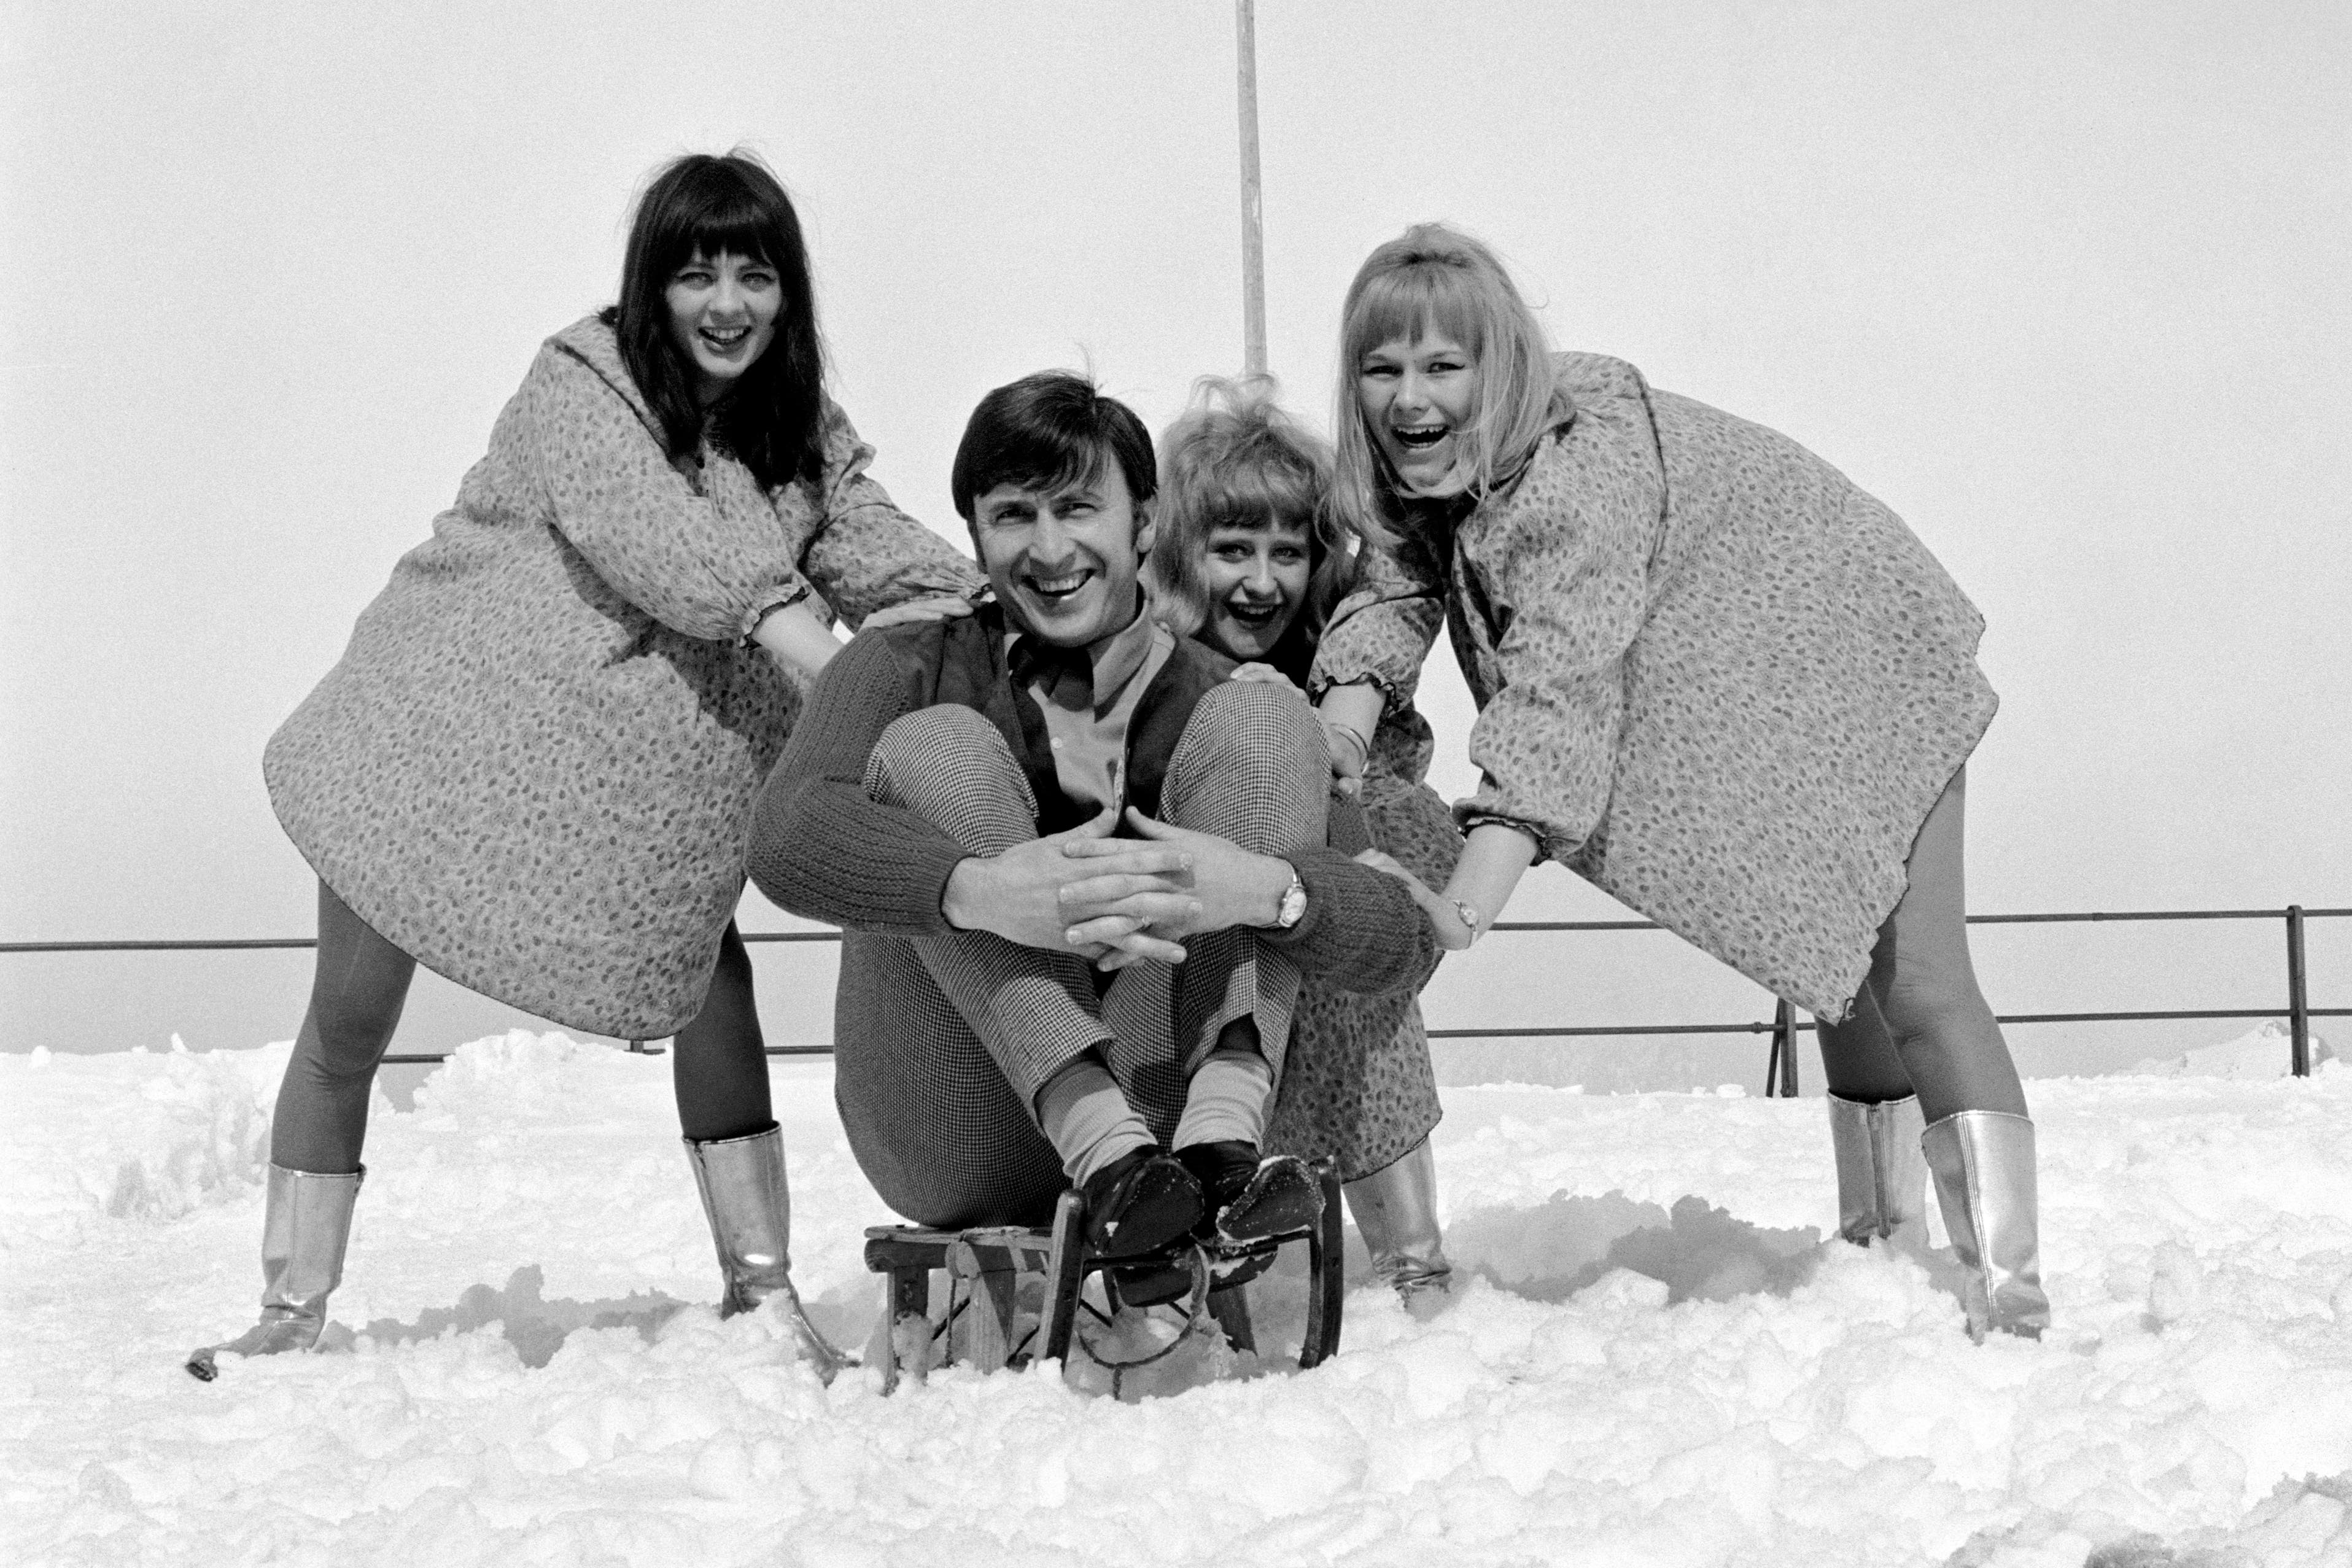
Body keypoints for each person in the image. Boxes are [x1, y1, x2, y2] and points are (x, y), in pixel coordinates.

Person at [187, 152, 981, 1381]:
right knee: (348, 1015)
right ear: (649, 285)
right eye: (696, 272)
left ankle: (759, 1288)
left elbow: (892, 556)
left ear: (788, 293)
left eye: (754, 274)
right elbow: (669, 548)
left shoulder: (798, 443)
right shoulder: (584, 384)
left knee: (710, 976)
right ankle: (290, 1308)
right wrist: (835, 669)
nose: (726, 302)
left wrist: (1005, 610)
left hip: (630, 796)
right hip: (436, 736)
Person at [1311, 223, 2047, 1340]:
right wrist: (1337, 736)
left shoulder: (1573, 479)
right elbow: (1395, 588)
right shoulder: (1452, 485)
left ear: (1498, 368)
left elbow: (1557, 693)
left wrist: (1462, 904)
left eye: (1441, 365)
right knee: (1836, 963)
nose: (1409, 394)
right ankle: (1879, 1246)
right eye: (1383, 367)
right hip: (1766, 677)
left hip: (1868, 656)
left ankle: (2013, 1297)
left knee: (1919, 973)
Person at [746, 371, 1442, 1302]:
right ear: (975, 533)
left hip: (1175, 1117)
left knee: (1269, 716)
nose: (1049, 547)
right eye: (1013, 515)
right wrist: (979, 888)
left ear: (1145, 523)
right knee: (934, 747)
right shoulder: (907, 660)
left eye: (1079, 507)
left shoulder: (1217, 697)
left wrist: (1264, 889)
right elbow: (784, 835)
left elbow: (1400, 937)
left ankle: (1221, 1142)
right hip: (958, 1125)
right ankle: (1098, 1143)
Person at [1145, 376, 1458, 1305]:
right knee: (1320, 941)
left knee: (1342, 959)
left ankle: (1410, 1258)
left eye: (1289, 551)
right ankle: (1396, 1262)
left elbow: (1414, 842)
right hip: (1169, 981)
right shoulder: (1147, 675)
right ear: (1176, 552)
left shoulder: (1338, 684)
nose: (1262, 580)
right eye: (1232, 548)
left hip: (1311, 967)